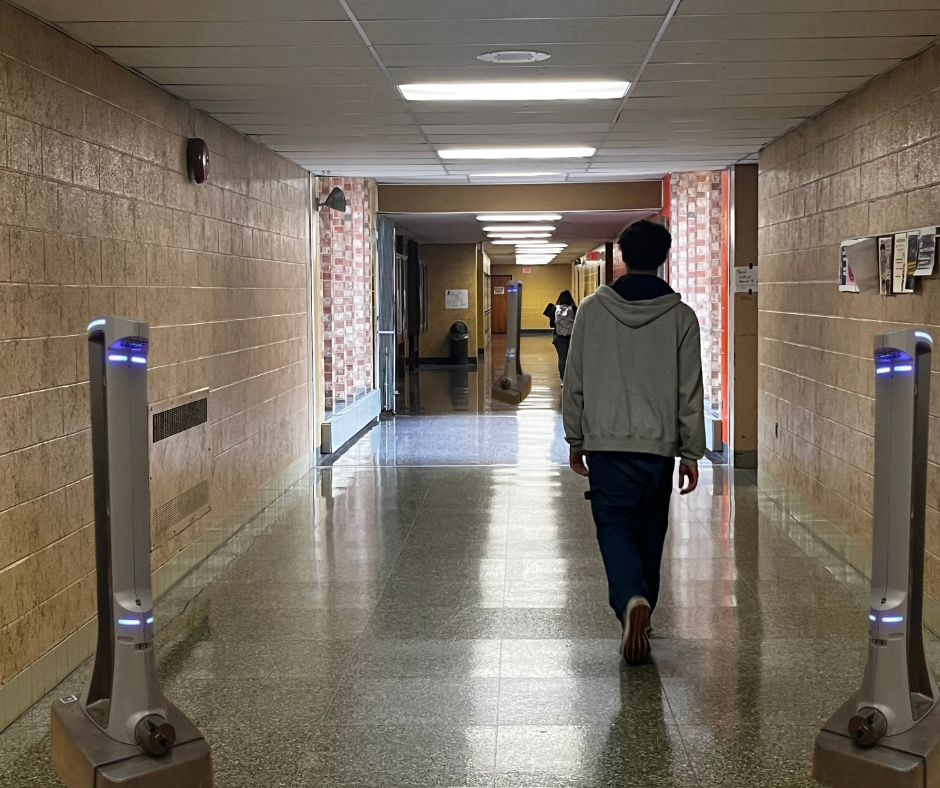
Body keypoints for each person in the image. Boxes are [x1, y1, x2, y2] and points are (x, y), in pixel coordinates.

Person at [562, 219, 705, 665]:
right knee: (650, 529)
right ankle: (644, 607)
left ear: (621, 256)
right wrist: (691, 451)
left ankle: (629, 601)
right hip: (658, 446)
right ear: (663, 258)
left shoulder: (591, 310)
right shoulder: (682, 317)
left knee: (614, 525)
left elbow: (575, 380)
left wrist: (575, 438)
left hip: (606, 442)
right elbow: (690, 389)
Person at [542, 290, 577, 385]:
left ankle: (563, 381)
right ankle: (572, 380)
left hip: (558, 339)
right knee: (572, 359)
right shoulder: (575, 309)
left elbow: (552, 325)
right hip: (571, 338)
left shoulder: (554, 309)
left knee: (562, 359)